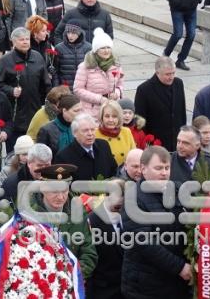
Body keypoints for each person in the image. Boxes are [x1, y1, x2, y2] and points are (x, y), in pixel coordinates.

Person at [121, 145, 191, 299]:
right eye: (159, 168)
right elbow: (144, 243)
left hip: (175, 284)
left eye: (167, 167)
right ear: (143, 169)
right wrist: (180, 267)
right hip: (146, 286)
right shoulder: (134, 198)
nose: (164, 173)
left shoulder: (177, 191)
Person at [31, 164, 98, 279]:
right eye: (54, 192)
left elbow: (88, 251)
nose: (60, 197)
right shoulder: (29, 214)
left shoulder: (78, 211)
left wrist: (73, 277)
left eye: (64, 191)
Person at [0, 27, 50, 145]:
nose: (25, 42)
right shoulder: (6, 60)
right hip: (15, 116)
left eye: (27, 39)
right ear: (13, 42)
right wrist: (10, 90)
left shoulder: (38, 57)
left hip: (36, 112)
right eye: (21, 40)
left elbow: (45, 83)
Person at [134, 56, 187, 149]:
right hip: (157, 143)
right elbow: (139, 120)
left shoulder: (179, 83)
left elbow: (182, 112)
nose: (171, 77)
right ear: (157, 72)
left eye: (173, 73)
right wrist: (147, 143)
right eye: (167, 74)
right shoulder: (144, 89)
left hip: (177, 142)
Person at [73, 27, 124, 116]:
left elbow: (120, 85)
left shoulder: (116, 65)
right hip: (90, 112)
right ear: (96, 50)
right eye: (103, 48)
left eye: (108, 47)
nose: (106, 50)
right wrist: (99, 99)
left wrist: (116, 93)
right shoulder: (85, 67)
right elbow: (77, 89)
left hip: (111, 110)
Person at [55, 113, 117, 180]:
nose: (90, 134)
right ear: (74, 133)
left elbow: (114, 171)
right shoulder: (63, 156)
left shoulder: (104, 146)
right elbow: (62, 184)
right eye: (85, 130)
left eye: (92, 129)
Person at [94, 100, 135, 166]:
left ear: (119, 117)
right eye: (107, 116)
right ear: (102, 117)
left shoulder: (126, 132)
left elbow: (133, 155)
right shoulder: (94, 133)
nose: (111, 120)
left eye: (114, 116)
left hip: (124, 172)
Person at [54, 24, 90, 88]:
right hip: (65, 89)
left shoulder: (88, 48)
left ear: (79, 34)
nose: (70, 36)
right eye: (68, 32)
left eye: (73, 33)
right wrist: (56, 88)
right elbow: (55, 71)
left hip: (83, 89)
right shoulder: (59, 48)